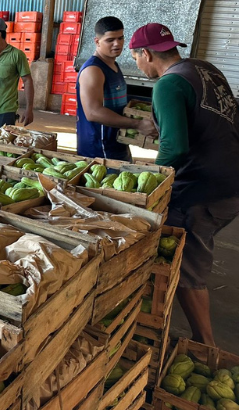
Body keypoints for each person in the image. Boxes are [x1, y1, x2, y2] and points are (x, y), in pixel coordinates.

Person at [130, 23, 239, 346]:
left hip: (202, 188)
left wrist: (151, 184)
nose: (137, 64)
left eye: (135, 57)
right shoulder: (204, 69)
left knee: (188, 260)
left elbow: (174, 147)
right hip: (231, 179)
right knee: (189, 248)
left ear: (145, 54)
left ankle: (204, 343)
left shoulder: (168, 85)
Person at [77, 17, 157, 160]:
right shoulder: (93, 70)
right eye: (110, 40)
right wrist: (137, 124)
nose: (117, 44)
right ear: (97, 41)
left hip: (117, 143)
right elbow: (93, 113)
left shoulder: (113, 65)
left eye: (120, 38)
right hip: (99, 149)